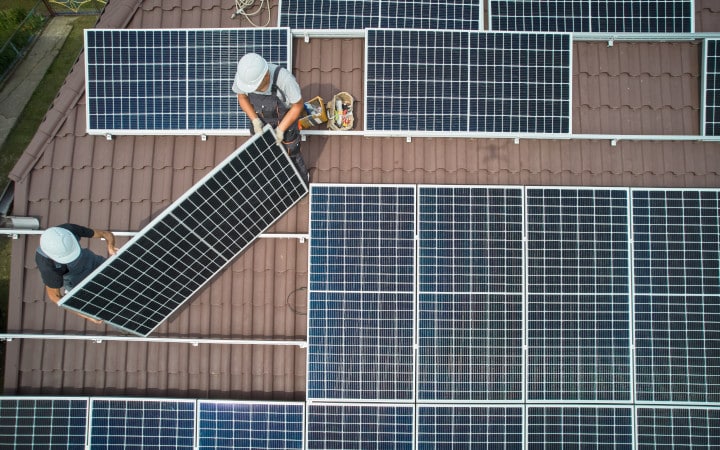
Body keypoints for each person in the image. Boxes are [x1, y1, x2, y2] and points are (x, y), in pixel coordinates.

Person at [232, 52, 309, 182]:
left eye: (257, 87)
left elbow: (297, 105)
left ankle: (300, 181)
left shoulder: (284, 79)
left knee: (291, 152)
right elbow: (242, 97)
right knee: (264, 153)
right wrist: (255, 120)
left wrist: (280, 130)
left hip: (285, 120)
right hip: (260, 120)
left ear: (267, 75)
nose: (254, 90)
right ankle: (274, 180)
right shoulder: (245, 77)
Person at [36, 224, 118, 324]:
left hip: (96, 264)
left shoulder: (67, 231)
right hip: (79, 284)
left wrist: (111, 246)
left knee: (124, 279)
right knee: (112, 310)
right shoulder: (47, 266)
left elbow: (105, 234)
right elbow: (55, 297)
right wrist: (86, 315)